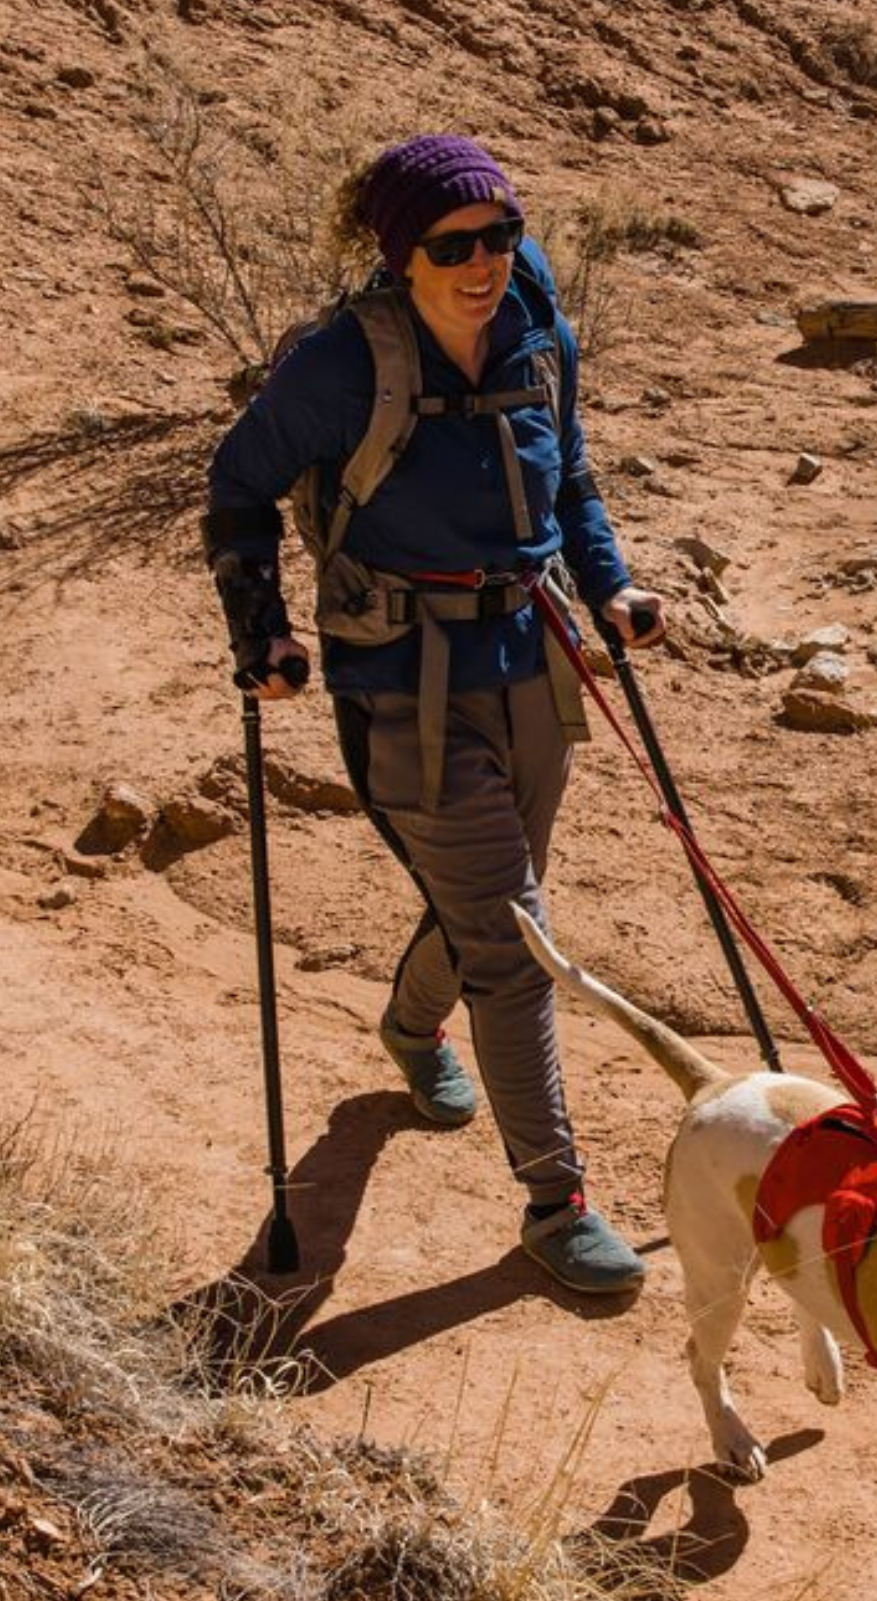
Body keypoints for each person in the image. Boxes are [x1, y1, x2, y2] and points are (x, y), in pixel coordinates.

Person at [201, 135, 666, 1296]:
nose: (483, 264)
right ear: (400, 256)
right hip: (398, 679)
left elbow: (571, 484)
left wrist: (610, 585)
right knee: (512, 946)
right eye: (452, 247)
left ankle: (411, 1032)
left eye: (501, 237)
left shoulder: (537, 335)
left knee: (497, 904)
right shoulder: (339, 368)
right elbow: (237, 487)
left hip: (533, 658)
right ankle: (556, 1203)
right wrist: (259, 627)